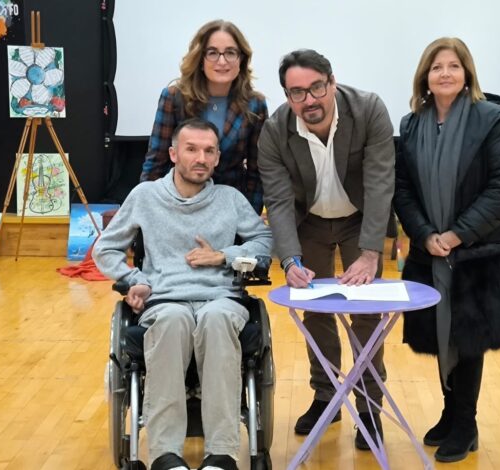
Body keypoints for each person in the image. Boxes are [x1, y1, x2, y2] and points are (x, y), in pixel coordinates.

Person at [94, 119, 272, 470]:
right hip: (165, 298)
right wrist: (134, 279)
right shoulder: (145, 196)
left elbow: (264, 242)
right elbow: (106, 249)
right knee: (172, 321)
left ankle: (221, 454)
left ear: (218, 158)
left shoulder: (229, 199)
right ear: (174, 154)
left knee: (217, 320)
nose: (200, 158)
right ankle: (165, 454)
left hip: (221, 298)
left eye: (209, 151)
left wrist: (223, 255)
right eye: (191, 149)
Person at [393, 37, 500, 463]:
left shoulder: (491, 121)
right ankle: (450, 411)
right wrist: (424, 235)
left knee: (468, 337)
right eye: (437, 67)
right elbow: (403, 189)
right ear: (425, 77)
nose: (445, 74)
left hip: (478, 252)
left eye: (454, 66)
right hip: (430, 252)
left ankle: (466, 423)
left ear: (467, 73)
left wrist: (456, 235)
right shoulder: (412, 125)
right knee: (441, 334)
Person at [257, 49, 395, 449]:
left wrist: (370, 253)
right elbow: (279, 201)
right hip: (310, 222)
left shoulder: (368, 110)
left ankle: (368, 406)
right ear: (287, 96)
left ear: (332, 83)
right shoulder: (275, 131)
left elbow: (380, 182)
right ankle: (326, 397)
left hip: (359, 220)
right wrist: (290, 260)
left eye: (317, 87)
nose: (309, 100)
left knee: (365, 311)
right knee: (315, 310)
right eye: (297, 93)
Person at [140, 19, 267, 215]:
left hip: (229, 208)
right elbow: (156, 162)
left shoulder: (254, 104)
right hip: (178, 205)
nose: (222, 61)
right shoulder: (174, 97)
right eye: (213, 53)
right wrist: (146, 212)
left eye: (230, 53)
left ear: (241, 59)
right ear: (200, 59)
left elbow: (257, 172)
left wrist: (248, 218)